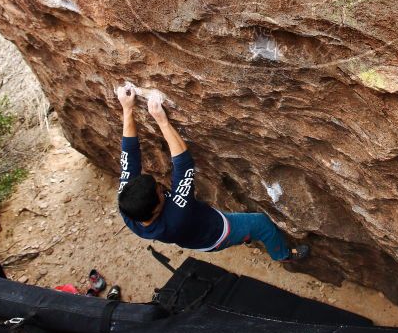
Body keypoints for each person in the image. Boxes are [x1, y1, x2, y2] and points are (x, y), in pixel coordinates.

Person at [115, 83, 309, 262]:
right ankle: (283, 255)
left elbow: (129, 156)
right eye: (159, 192)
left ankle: (246, 235)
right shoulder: (176, 215)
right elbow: (184, 164)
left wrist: (127, 108)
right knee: (261, 224)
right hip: (216, 233)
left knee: (239, 220)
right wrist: (162, 121)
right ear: (156, 209)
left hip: (193, 232)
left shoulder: (129, 208)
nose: (160, 186)